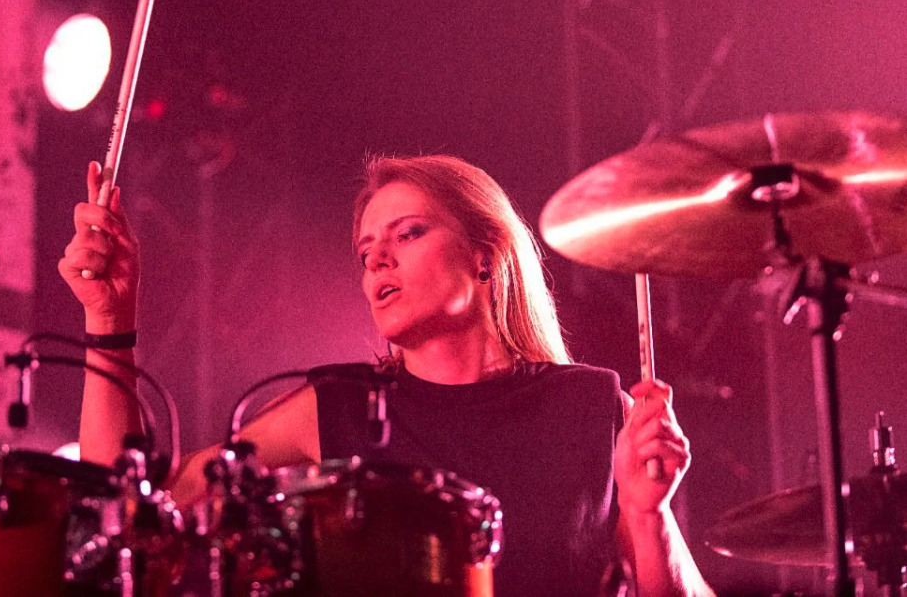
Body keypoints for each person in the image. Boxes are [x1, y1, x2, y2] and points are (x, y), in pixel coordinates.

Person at [60, 155, 715, 597]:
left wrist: (647, 514)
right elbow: (128, 508)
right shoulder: (339, 407)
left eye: (408, 234)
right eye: (366, 251)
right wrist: (109, 318)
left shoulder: (587, 406)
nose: (377, 261)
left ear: (485, 256)